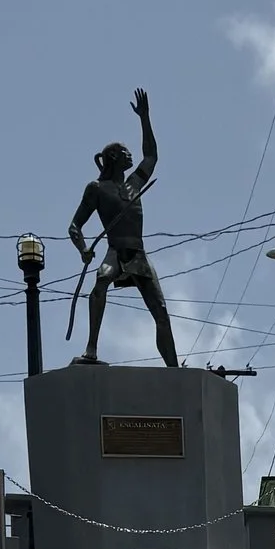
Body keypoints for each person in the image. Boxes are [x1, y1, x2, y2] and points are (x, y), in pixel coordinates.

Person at [67, 89, 178, 367]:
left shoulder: (134, 185)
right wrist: (83, 249)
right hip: (115, 252)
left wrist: (145, 118)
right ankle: (91, 349)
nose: (131, 156)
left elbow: (151, 156)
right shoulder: (97, 189)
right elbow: (74, 226)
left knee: (161, 312)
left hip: (138, 254)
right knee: (101, 283)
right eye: (125, 152)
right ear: (114, 157)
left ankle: (173, 366)